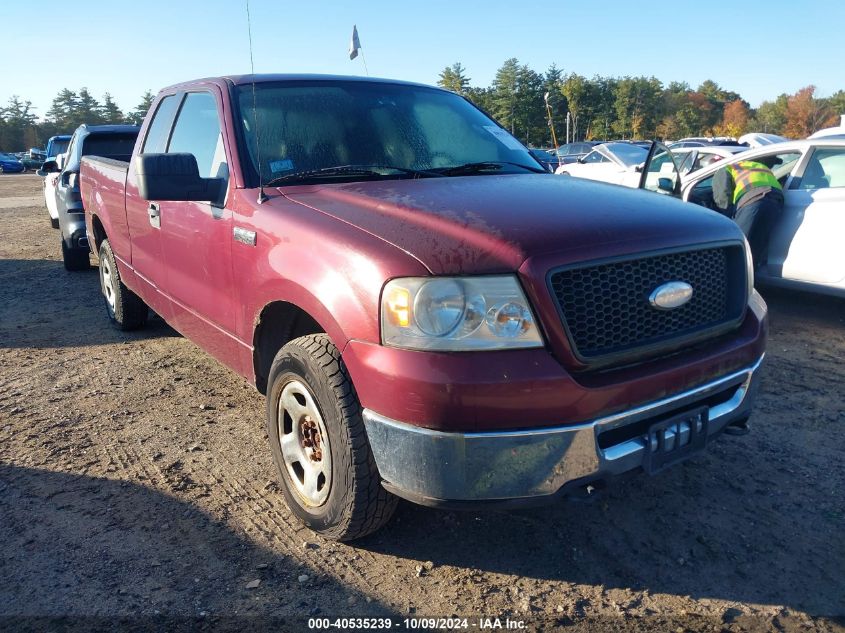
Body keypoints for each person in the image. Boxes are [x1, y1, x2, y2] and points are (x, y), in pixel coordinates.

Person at [712, 158, 784, 269]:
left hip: (753, 199)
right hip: (776, 200)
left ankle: (733, 276)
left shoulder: (724, 169)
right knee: (756, 245)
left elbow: (722, 196)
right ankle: (752, 277)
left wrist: (727, 217)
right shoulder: (754, 165)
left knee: (736, 243)